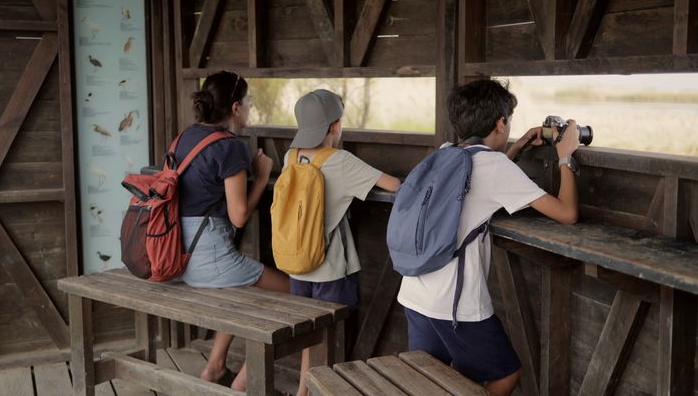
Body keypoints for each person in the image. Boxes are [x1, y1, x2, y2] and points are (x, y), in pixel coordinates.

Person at [396, 78, 580, 396]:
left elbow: (478, 175)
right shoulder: (494, 166)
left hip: (415, 291)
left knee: (428, 382)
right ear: (501, 122)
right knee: (506, 374)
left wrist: (519, 144)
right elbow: (567, 213)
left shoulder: (446, 154)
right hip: (455, 306)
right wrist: (566, 155)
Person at [174, 71, 290, 391]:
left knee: (248, 289)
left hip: (177, 256)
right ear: (236, 108)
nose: (251, 107)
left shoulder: (184, 138)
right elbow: (239, 217)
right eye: (249, 101)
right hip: (210, 260)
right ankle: (245, 384)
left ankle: (214, 367)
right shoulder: (231, 147)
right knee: (296, 296)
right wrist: (263, 175)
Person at [281, 89, 401, 396]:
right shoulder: (341, 161)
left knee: (311, 336)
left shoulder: (291, 156)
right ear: (335, 126)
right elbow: (393, 185)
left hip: (297, 265)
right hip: (331, 269)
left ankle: (302, 392)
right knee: (333, 341)